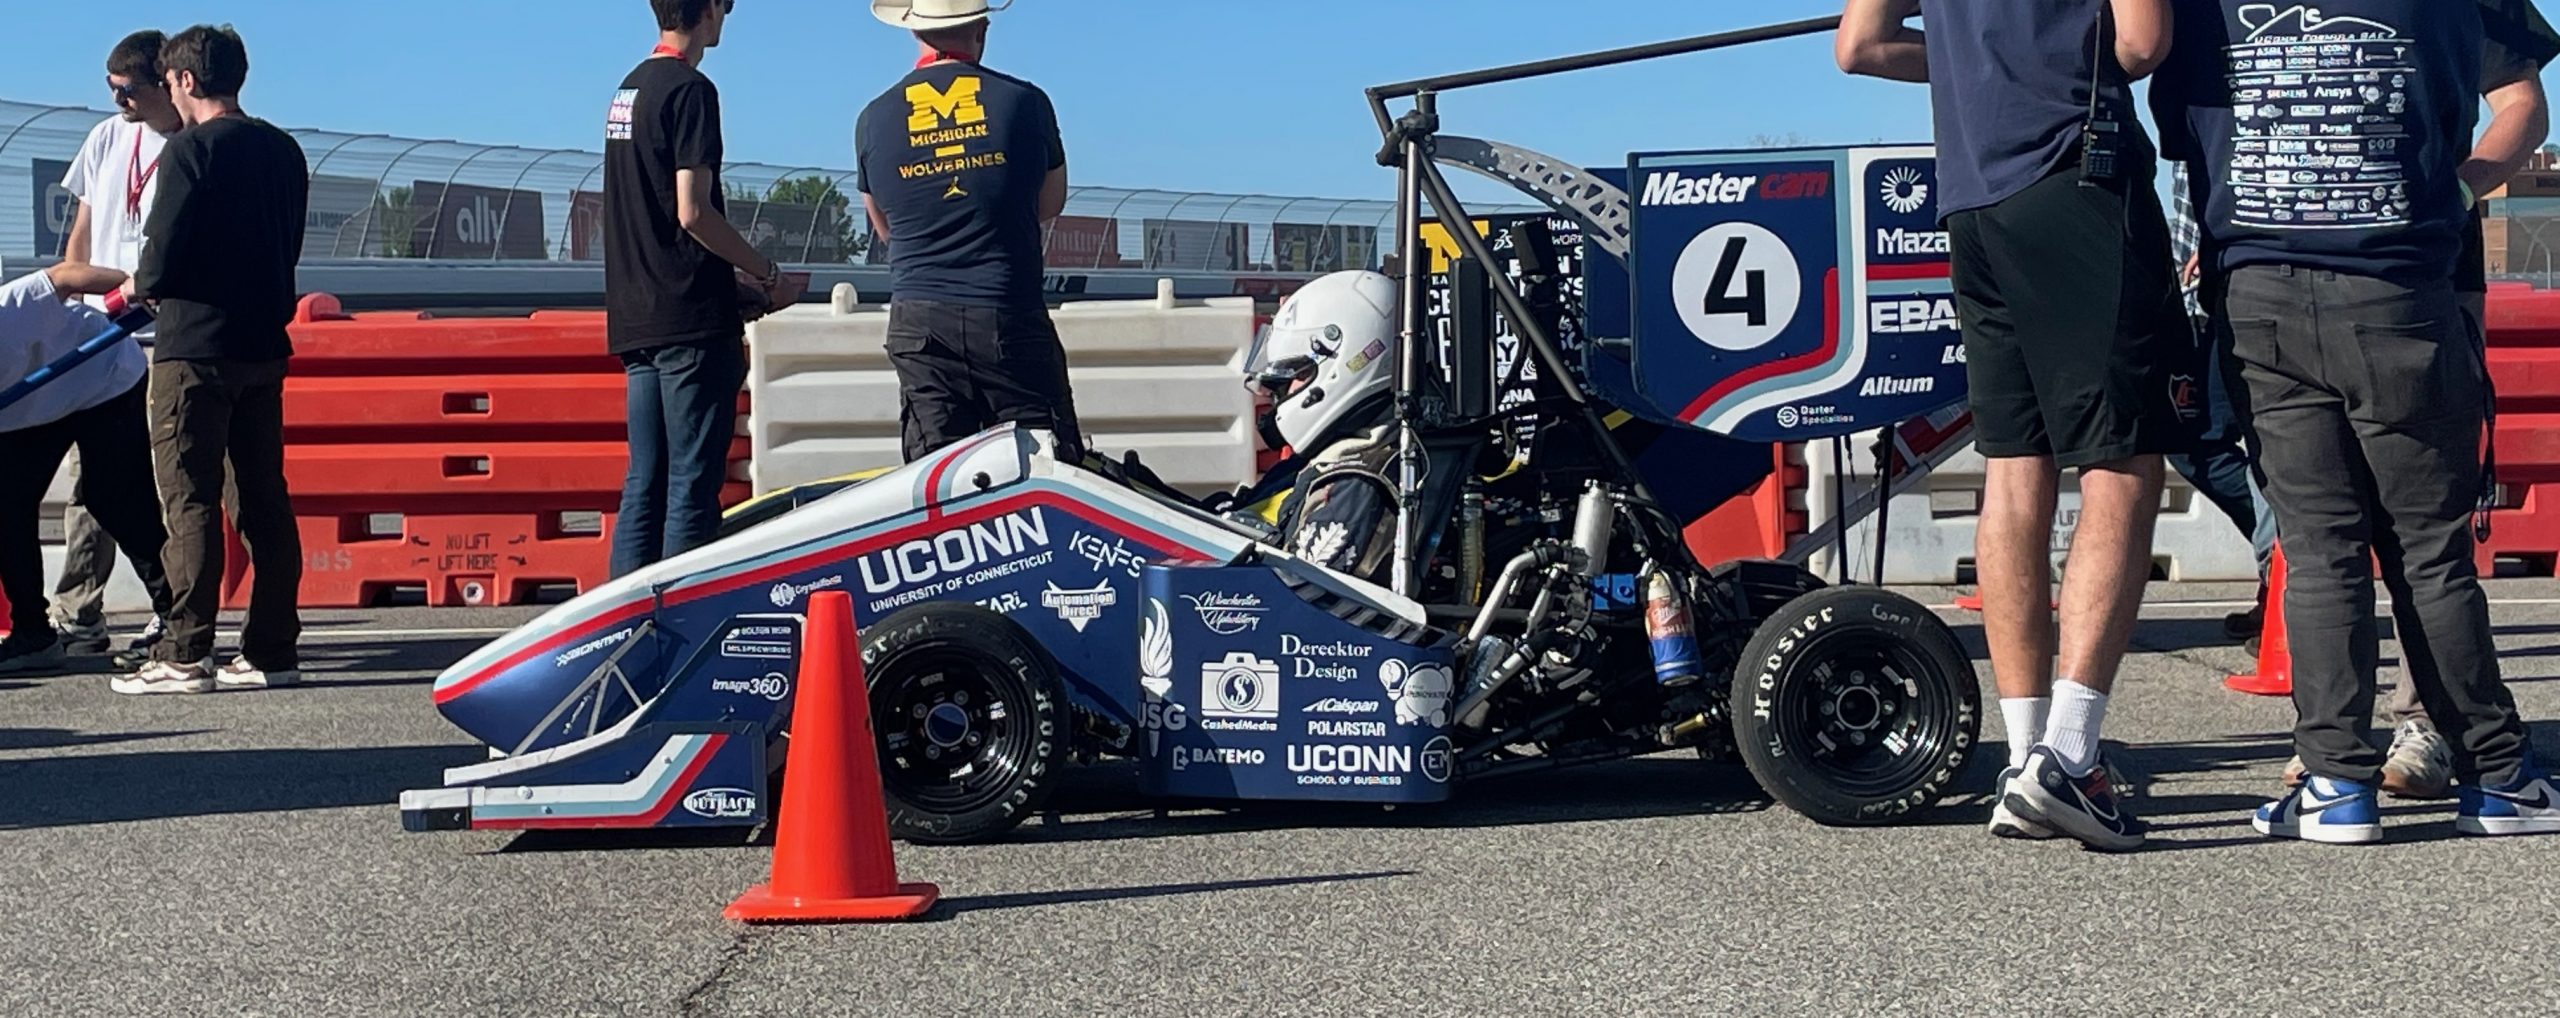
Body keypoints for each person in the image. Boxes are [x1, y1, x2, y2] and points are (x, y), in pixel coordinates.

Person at [2155, 0, 2559, 843]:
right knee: (2429, 552)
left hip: (2259, 286)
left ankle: (2337, 781)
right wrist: (2462, 180)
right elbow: (2521, 93)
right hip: (2400, 285)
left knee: (2320, 549)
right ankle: (2497, 776)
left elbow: (2174, 112)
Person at [1839, 0, 2186, 853]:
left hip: (1971, 193)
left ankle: (2027, 753)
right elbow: (2142, 41)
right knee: (2123, 457)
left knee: (2014, 460)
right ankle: (2070, 758)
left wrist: (1977, 70)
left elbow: (1861, 45)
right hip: (2076, 170)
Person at [117, 24, 310, 695]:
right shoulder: (284, 151)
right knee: (263, 496)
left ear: (186, 81)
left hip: (193, 347)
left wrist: (140, 288)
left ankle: (186, 649)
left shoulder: (190, 152)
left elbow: (160, 258)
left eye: (169, 81)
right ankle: (271, 647)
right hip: (262, 344)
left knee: (189, 499)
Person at [604, 0, 801, 579]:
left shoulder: (627, 91)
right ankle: (679, 635)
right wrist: (766, 275)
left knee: (645, 481)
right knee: (692, 486)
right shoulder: (691, 91)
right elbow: (693, 213)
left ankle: (619, 627)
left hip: (637, 315)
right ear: (710, 9)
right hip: (690, 322)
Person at [857, 0, 1083, 464]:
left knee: (938, 485)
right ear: (981, 28)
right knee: (1043, 471)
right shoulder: (1025, 102)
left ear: (913, 31)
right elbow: (1050, 202)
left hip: (918, 322)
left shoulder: (873, 117)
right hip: (1005, 313)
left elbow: (883, 227)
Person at [49, 30, 179, 666]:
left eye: (127, 90)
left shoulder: (188, 143)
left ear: (162, 83)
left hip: (158, 335)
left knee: (154, 476)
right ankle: (77, 610)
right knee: (89, 479)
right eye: (111, 89)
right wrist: (70, 302)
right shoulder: (107, 137)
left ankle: (172, 607)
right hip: (100, 330)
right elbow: (85, 226)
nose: (118, 101)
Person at [0, 266, 178, 676]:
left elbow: (68, 277)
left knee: (115, 499)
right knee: (7, 509)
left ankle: (176, 618)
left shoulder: (11, 309)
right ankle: (33, 634)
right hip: (27, 411)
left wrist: (143, 287)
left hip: (103, 375)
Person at [2166, 162, 2282, 648]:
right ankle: (2280, 571)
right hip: (2196, 301)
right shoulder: (2178, 94)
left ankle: (2284, 584)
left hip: (2249, 286)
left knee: (2266, 439)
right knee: (2193, 443)